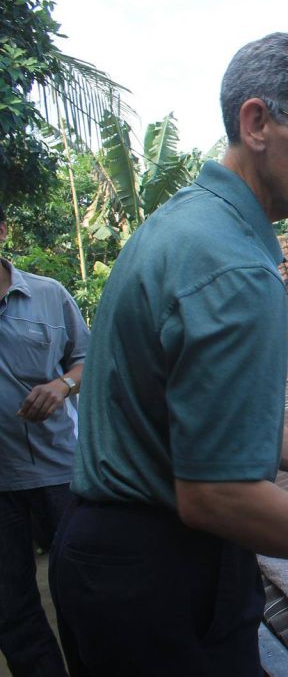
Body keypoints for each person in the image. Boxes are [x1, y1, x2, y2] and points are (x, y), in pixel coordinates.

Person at [49, 32, 288, 677]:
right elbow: (216, 496)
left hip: (101, 565)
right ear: (257, 123)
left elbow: (184, 406)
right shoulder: (235, 271)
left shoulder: (182, 226)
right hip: (160, 581)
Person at [0, 202, 89, 677]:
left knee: (82, 593)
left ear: (1, 229)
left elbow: (88, 360)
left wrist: (62, 385)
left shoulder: (48, 295)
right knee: (10, 610)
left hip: (59, 471)